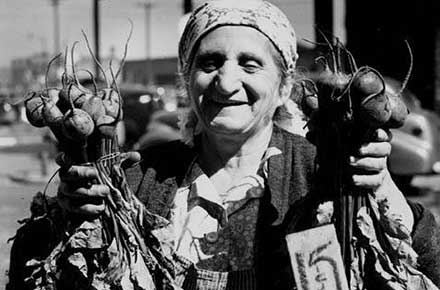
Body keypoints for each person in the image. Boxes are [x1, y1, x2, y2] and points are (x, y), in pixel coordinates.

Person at [8, 1, 440, 289]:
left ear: (284, 83)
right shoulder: (135, 180)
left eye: (249, 64)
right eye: (209, 62)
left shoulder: (323, 174)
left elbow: (429, 267)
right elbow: (28, 272)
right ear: (187, 78)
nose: (226, 81)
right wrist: (67, 221)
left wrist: (381, 191)